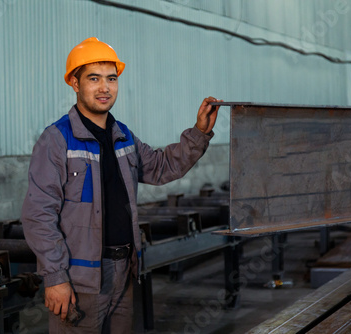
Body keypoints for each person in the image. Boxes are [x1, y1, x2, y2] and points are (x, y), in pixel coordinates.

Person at [21, 37, 221, 333]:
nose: (105, 88)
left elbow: (162, 167)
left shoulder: (123, 136)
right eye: (94, 79)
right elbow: (39, 215)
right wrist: (56, 278)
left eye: (111, 79)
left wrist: (200, 132)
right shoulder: (56, 140)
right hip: (80, 279)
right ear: (75, 83)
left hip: (124, 271)